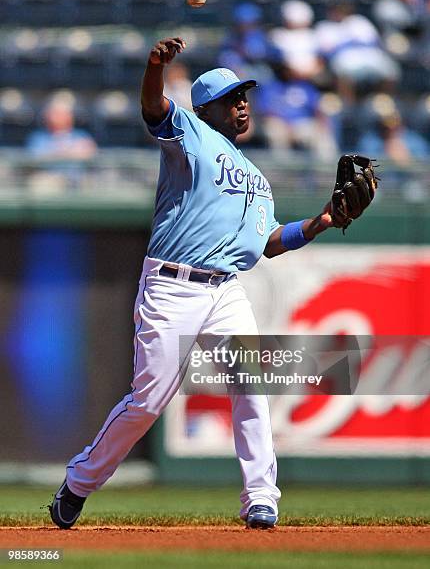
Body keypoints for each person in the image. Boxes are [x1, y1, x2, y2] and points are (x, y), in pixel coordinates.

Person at [49, 36, 338, 530]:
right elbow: (153, 107)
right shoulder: (190, 135)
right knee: (148, 400)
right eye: (232, 98)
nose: (243, 104)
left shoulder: (257, 178)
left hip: (225, 290)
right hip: (173, 284)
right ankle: (79, 481)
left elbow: (268, 241)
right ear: (208, 109)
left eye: (245, 96)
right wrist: (155, 66)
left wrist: (320, 221)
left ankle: (261, 497)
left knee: (250, 383)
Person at [26, 99, 97, 160]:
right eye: (54, 114)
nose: (56, 118)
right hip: (48, 174)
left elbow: (91, 154)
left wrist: (60, 153)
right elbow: (36, 158)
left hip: (76, 175)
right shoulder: (38, 137)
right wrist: (68, 152)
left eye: (61, 114)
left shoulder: (81, 135)